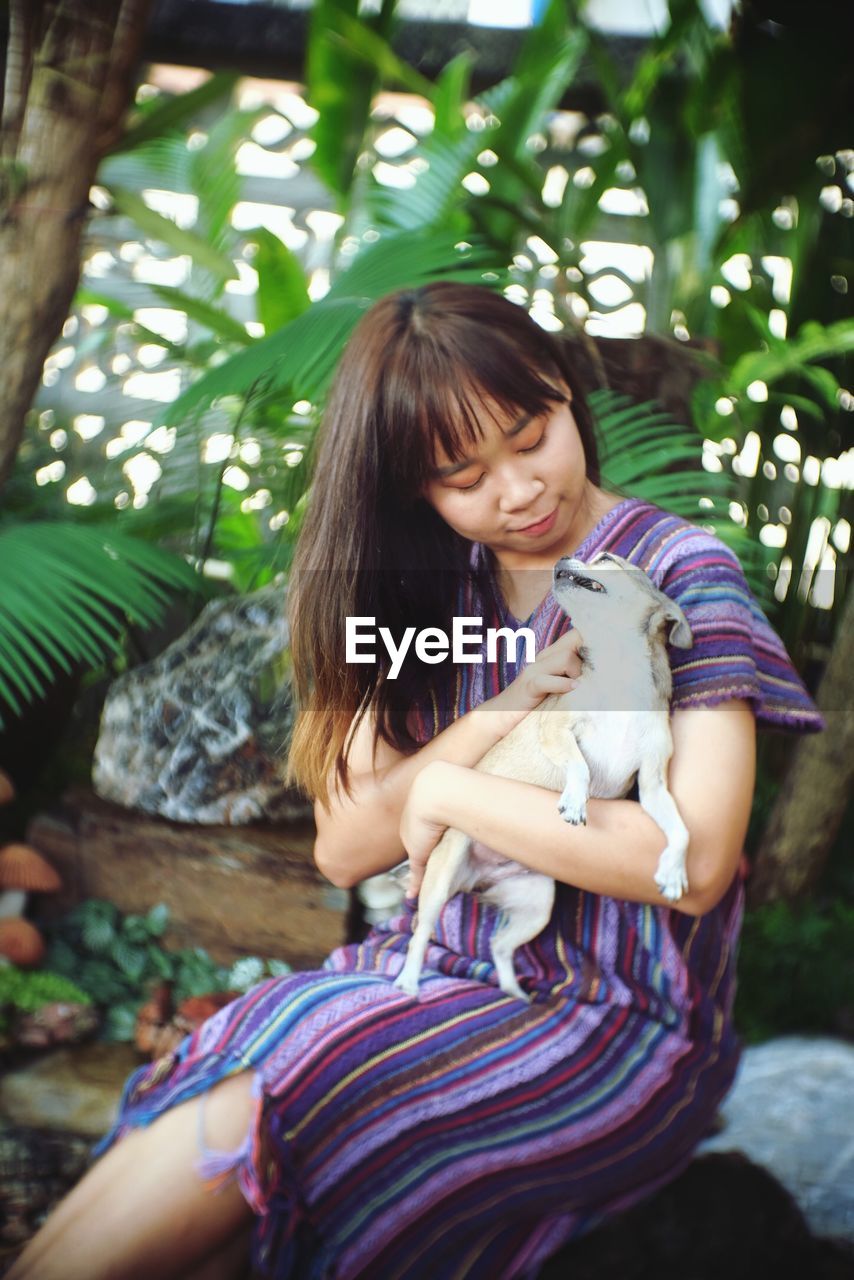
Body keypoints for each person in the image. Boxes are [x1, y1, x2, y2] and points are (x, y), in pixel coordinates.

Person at [10, 283, 823, 1280]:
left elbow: (688, 863)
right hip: (425, 972)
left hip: (617, 1020)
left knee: (302, 1076)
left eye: (531, 436)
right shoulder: (407, 584)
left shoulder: (673, 572)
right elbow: (345, 844)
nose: (517, 489)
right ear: (409, 489)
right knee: (251, 1061)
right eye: (461, 474)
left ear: (567, 396)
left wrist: (445, 796)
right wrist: (496, 723)